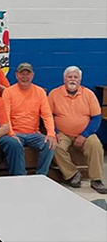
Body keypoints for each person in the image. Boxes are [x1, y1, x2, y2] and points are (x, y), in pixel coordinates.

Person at [48, 66, 106, 194]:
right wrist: (54, 132)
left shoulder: (89, 94)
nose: (72, 80)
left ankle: (96, 179)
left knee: (96, 145)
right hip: (62, 133)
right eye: (70, 77)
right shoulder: (54, 94)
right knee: (54, 146)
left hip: (85, 133)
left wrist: (84, 135)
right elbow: (48, 116)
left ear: (80, 80)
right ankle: (73, 174)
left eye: (75, 77)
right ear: (64, 79)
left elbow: (96, 117)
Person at [2, 63, 56, 175]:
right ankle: (20, 177)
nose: (24, 77)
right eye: (22, 74)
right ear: (16, 75)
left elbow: (47, 115)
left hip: (34, 134)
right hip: (15, 133)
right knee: (14, 144)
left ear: (32, 76)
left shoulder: (40, 92)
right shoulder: (8, 92)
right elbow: (5, 116)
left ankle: (41, 176)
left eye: (28, 74)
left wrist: (51, 133)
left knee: (49, 144)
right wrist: (11, 134)